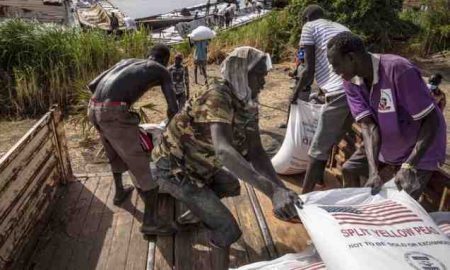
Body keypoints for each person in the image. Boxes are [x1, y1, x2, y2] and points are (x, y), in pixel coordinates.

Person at [152, 47, 302, 270]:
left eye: (265, 75)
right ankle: (213, 260)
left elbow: (257, 153)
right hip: (173, 169)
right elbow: (224, 151)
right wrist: (273, 192)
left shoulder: (248, 100)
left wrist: (280, 189)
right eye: (259, 75)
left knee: (231, 184)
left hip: (200, 167)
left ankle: (196, 211)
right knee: (229, 230)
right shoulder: (218, 94)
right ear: (241, 73)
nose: (263, 81)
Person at [328, 32, 447, 199]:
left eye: (336, 65)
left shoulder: (398, 70)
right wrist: (373, 171)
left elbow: (431, 120)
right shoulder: (350, 82)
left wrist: (408, 166)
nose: (334, 71)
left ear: (351, 58)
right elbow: (368, 126)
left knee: (402, 200)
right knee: (350, 169)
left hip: (422, 147)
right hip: (390, 143)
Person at [87, 44, 179, 235]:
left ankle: (120, 192)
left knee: (113, 151)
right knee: (142, 166)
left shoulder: (125, 62)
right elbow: (173, 107)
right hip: (113, 113)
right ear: (165, 60)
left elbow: (92, 85)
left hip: (93, 108)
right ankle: (150, 223)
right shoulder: (161, 70)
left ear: (148, 55)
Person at [291, 5, 353, 194]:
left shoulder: (310, 27)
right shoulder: (342, 27)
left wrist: (295, 94)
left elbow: (308, 71)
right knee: (330, 139)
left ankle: (304, 198)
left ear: (307, 17)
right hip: (357, 91)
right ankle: (319, 179)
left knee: (317, 149)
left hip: (338, 91)